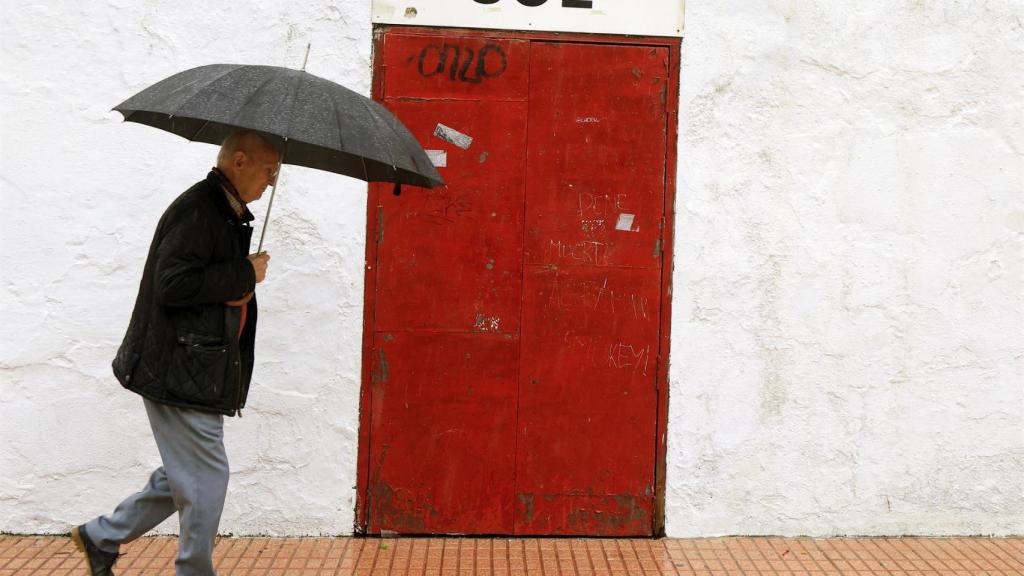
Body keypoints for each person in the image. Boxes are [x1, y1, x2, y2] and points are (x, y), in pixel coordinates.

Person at [70, 130, 279, 576]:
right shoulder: (200, 210)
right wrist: (243, 271)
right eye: (268, 171)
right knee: (207, 477)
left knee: (185, 474)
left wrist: (240, 276)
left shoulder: (225, 212)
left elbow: (202, 284)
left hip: (194, 367)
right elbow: (173, 286)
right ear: (239, 162)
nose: (271, 182)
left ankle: (102, 535)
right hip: (180, 368)